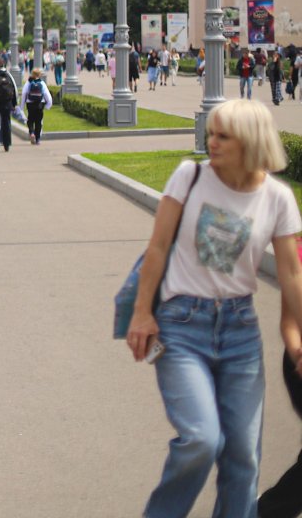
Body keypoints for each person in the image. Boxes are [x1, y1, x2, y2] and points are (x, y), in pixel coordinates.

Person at [127, 100, 302, 518]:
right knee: (202, 439)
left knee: (244, 456)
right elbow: (158, 247)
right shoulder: (190, 176)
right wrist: (141, 312)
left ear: (250, 142)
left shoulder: (277, 198)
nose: (212, 142)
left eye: (224, 135)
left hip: (240, 331)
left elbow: (292, 276)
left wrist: (298, 340)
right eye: (212, 132)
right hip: (181, 325)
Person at [21, 69, 52, 145]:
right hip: (40, 104)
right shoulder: (42, 83)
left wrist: (22, 106)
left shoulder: (28, 82)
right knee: (38, 122)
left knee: (30, 120)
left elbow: (24, 93)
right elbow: (47, 95)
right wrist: (48, 105)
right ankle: (37, 139)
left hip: (30, 104)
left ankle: (31, 133)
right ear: (39, 75)